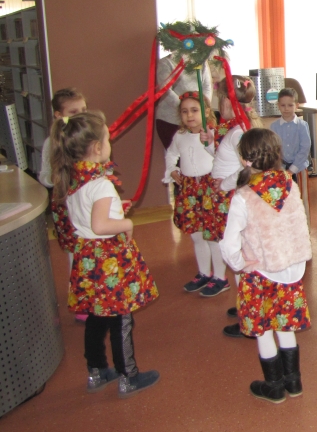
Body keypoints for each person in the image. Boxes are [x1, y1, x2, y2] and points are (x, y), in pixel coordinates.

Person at [50, 111, 159, 397]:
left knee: (97, 315)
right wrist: (126, 223)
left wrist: (115, 208)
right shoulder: (100, 184)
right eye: (108, 140)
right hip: (108, 258)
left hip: (88, 257)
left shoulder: (73, 178)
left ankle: (97, 371)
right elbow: (100, 225)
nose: (110, 145)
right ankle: (128, 376)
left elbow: (87, 218)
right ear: (97, 148)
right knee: (121, 317)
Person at [220, 128, 312, 403]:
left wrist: (240, 265)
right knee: (285, 326)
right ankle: (294, 382)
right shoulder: (290, 184)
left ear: (245, 159)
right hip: (292, 270)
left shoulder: (243, 197)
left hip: (261, 273)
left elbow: (229, 244)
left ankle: (274, 386)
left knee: (264, 330)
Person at [204, 76, 262, 300]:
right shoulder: (234, 128)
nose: (218, 105)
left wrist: (224, 184)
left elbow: (246, 168)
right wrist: (209, 143)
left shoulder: (238, 132)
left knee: (237, 249)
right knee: (236, 248)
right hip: (226, 195)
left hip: (230, 196)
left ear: (229, 102)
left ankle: (246, 303)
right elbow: (224, 157)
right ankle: (243, 302)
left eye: (220, 99)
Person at [164, 92, 228, 295]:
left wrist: (210, 142)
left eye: (194, 110)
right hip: (190, 190)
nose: (189, 115)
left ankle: (220, 277)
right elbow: (171, 154)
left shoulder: (212, 133)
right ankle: (204, 273)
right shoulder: (180, 136)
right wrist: (172, 169)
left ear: (206, 112)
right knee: (197, 236)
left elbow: (222, 157)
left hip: (209, 190)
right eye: (184, 111)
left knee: (212, 236)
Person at [39, 88, 89, 322]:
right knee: (75, 254)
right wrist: (61, 177)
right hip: (67, 207)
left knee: (92, 250)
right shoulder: (52, 143)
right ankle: (79, 299)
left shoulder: (89, 136)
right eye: (73, 112)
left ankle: (94, 293)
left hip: (88, 204)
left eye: (84, 110)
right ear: (59, 115)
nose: (81, 115)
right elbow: (44, 176)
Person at [154, 52, 213, 149]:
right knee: (179, 155)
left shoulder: (200, 60)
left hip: (197, 120)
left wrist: (202, 108)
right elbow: (166, 91)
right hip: (171, 120)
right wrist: (185, 109)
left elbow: (207, 87)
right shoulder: (166, 62)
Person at [271, 88, 312, 221]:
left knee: (302, 198)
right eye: (283, 105)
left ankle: (305, 226)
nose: (286, 109)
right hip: (281, 169)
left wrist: (293, 168)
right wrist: (280, 167)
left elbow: (305, 148)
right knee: (283, 198)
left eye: (290, 105)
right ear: (278, 106)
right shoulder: (274, 127)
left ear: (297, 105)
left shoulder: (302, 125)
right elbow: (273, 148)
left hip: (299, 168)